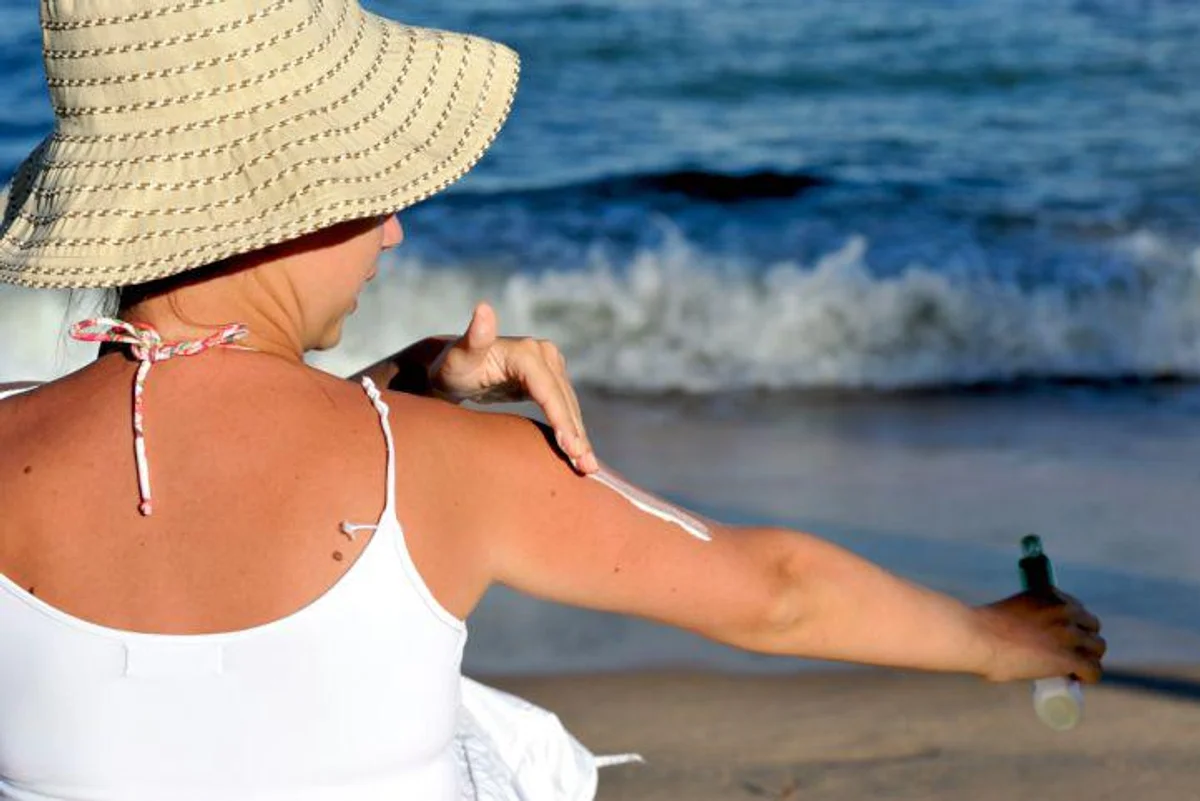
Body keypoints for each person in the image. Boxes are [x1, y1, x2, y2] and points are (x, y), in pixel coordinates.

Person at [0, 2, 1104, 800]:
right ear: (281, 207)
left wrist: (402, 384)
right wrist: (1003, 640)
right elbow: (775, 594)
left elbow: (193, 474)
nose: (392, 230)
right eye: (369, 193)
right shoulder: (443, 470)